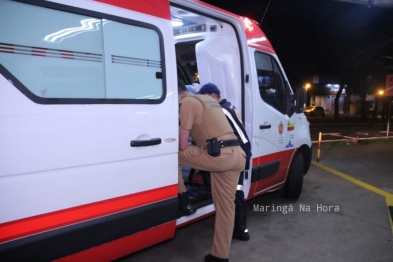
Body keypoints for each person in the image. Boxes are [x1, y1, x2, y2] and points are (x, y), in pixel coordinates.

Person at [177, 80, 246, 262]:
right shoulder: (209, 100)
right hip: (238, 156)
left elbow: (182, 145)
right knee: (226, 208)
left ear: (177, 95)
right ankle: (219, 256)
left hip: (220, 157)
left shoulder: (186, 103)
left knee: (172, 152)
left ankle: (183, 198)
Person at [198, 83, 252, 241]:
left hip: (238, 154)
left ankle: (241, 230)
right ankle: (236, 227)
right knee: (234, 192)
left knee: (235, 193)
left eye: (205, 99)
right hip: (242, 151)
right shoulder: (229, 106)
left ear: (213, 96)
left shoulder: (221, 110)